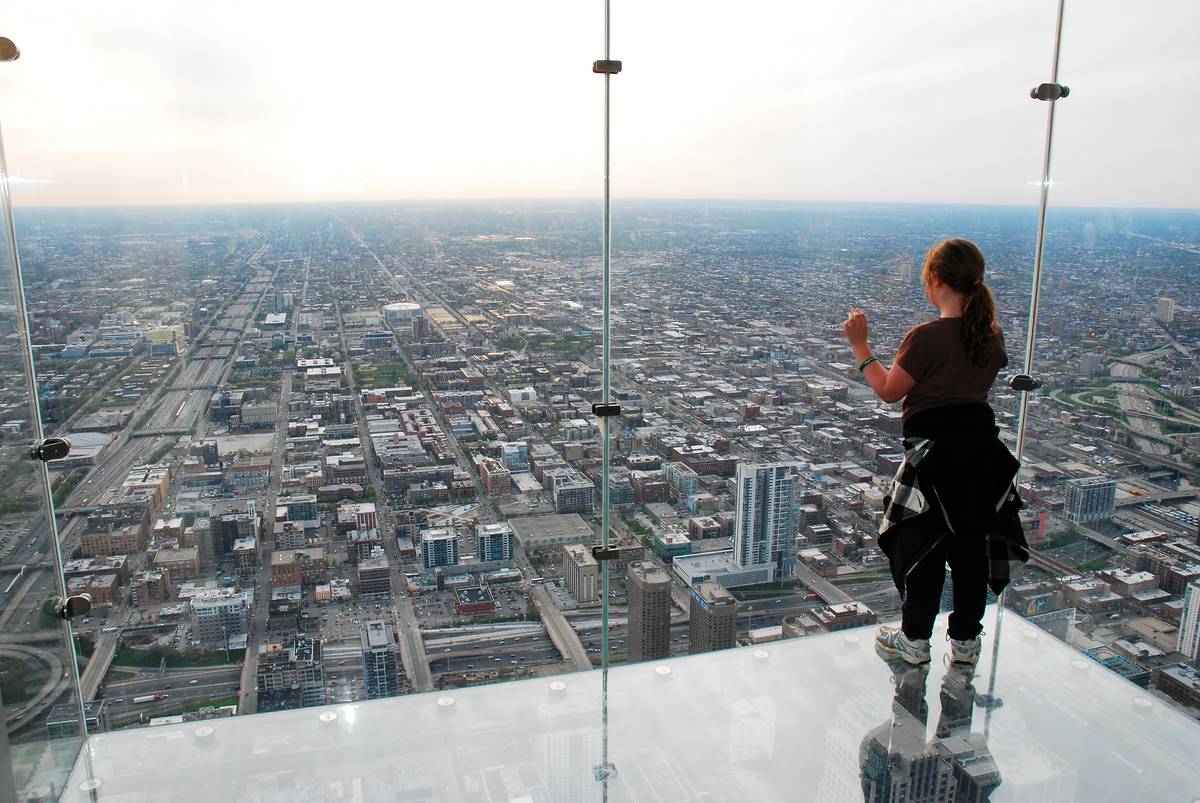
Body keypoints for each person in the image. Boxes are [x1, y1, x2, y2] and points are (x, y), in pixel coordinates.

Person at [842, 237, 1028, 667]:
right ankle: (965, 640)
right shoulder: (990, 335)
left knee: (922, 546)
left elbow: (889, 391)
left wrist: (860, 346)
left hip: (933, 460)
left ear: (936, 281)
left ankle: (915, 640)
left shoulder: (926, 337)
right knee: (969, 549)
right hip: (981, 457)